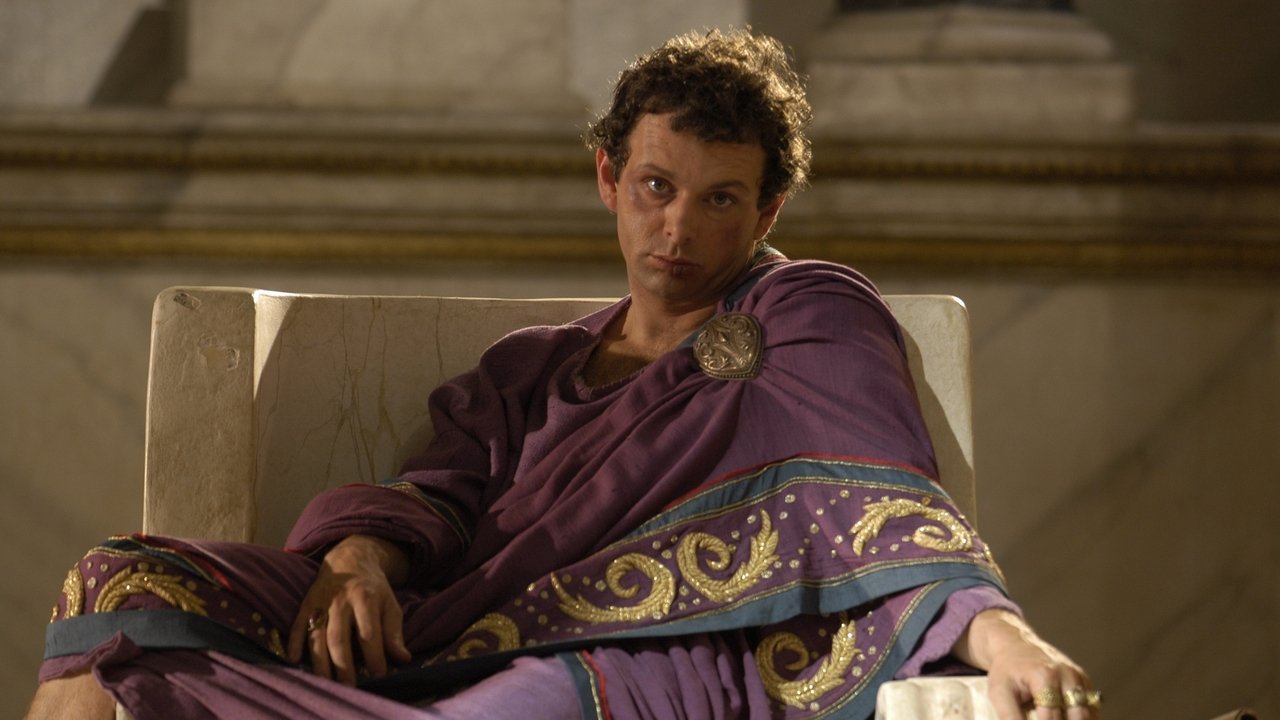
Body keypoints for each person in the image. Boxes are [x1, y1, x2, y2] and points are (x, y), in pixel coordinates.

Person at [28, 29, 1098, 720]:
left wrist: (1002, 636)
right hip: (452, 622)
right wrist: (356, 563)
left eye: (721, 200)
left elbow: (884, 503)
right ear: (607, 178)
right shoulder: (527, 368)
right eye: (655, 186)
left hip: (643, 653)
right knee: (119, 588)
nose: (678, 229)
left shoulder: (805, 313)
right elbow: (433, 499)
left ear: (767, 209)